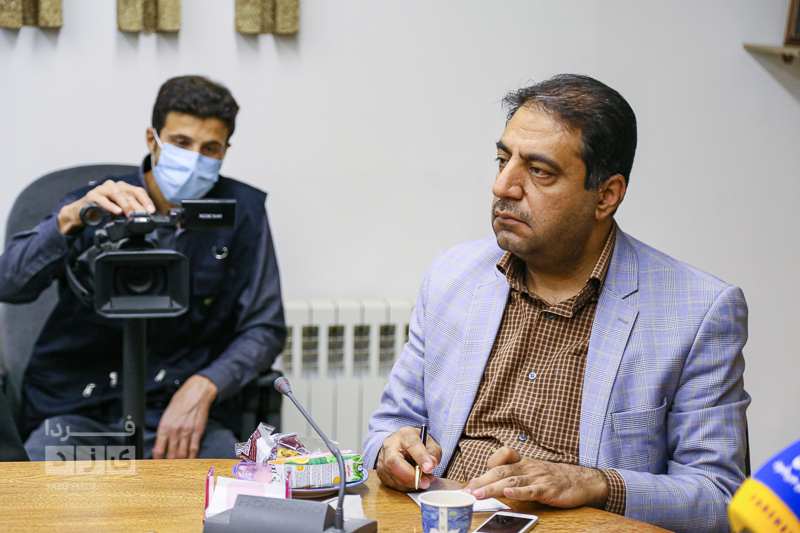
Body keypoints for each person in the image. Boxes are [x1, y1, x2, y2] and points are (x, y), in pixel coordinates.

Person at [363, 74, 749, 533]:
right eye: (502, 160)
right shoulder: (452, 275)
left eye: (539, 172)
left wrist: (596, 483)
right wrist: (391, 450)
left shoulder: (698, 310)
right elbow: (389, 427)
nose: (503, 186)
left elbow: (719, 497)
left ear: (606, 195)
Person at [0, 75, 286, 460]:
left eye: (210, 149)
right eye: (181, 143)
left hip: (181, 414)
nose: (195, 158)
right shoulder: (95, 202)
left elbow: (264, 327)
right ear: (153, 140)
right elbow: (9, 283)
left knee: (233, 492)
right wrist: (69, 219)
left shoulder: (241, 212)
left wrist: (206, 385)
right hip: (80, 409)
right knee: (42, 495)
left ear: (225, 151)